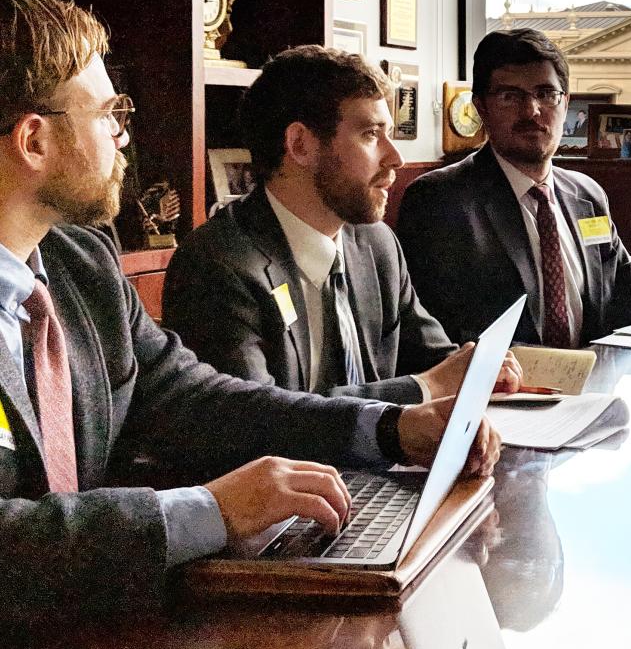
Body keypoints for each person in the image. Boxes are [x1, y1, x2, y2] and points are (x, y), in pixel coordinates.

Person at [0, 0, 499, 624]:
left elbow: (196, 398)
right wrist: (209, 510)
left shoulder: (81, 264)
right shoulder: (212, 257)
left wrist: (388, 429)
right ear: (35, 141)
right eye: (107, 113)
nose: (124, 134)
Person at [163, 46, 519, 405]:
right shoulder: (217, 265)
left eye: (389, 133)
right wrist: (426, 387)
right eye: (370, 134)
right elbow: (259, 420)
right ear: (300, 145)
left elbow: (436, 361)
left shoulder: (377, 244)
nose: (395, 157)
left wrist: (478, 368)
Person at [396, 28, 631, 346]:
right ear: (481, 107)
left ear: (565, 103)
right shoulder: (439, 200)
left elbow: (623, 280)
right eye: (511, 96)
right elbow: (434, 331)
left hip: (589, 383)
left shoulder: (587, 196)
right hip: (500, 392)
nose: (532, 111)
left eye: (545, 94)